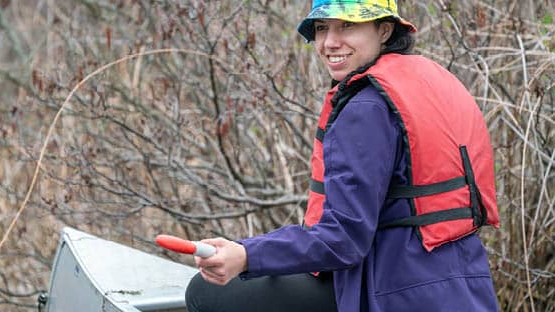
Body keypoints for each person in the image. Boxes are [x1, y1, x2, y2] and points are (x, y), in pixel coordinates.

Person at [185, 1, 500, 311]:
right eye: (322, 29)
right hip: (463, 288)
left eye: (347, 25)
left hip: (390, 292)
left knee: (204, 293)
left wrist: (246, 255)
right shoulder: (432, 81)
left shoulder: (366, 110)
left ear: (385, 30)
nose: (330, 43)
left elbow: (343, 240)